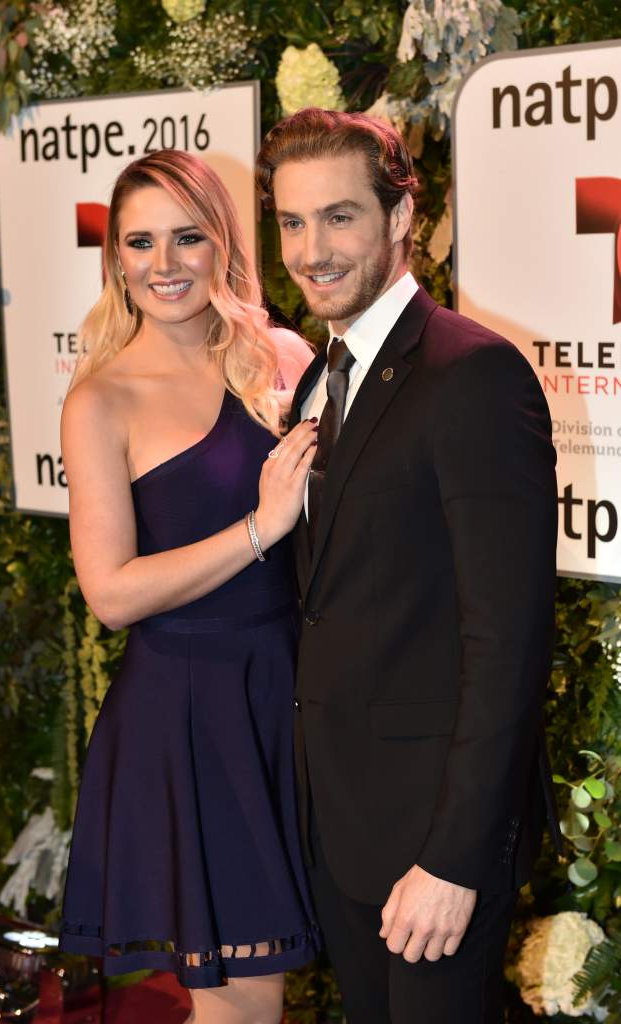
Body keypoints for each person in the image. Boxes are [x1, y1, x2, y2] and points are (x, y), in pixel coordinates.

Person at [255, 107, 560, 1024]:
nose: (311, 250)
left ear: (399, 220)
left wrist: (456, 859)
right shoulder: (319, 377)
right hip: (340, 822)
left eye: (338, 217)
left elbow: (506, 639)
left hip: (431, 842)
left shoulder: (471, 374)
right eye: (291, 222)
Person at [58, 149, 320, 1024]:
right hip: (190, 712)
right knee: (239, 1002)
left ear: (222, 245)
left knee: (270, 989)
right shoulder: (101, 400)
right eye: (139, 242)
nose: (163, 265)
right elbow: (112, 593)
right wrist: (258, 529)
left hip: (290, 693)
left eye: (186, 238)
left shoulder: (281, 358)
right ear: (115, 260)